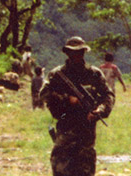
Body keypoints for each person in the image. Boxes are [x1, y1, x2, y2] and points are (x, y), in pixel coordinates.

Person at [40, 36, 114, 176]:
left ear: (84, 53)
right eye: (72, 52)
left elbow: (108, 96)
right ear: (67, 53)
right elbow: (44, 94)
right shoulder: (57, 74)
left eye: (79, 52)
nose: (76, 56)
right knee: (61, 168)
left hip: (87, 131)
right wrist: (67, 99)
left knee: (85, 170)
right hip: (66, 127)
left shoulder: (94, 74)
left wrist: (100, 110)